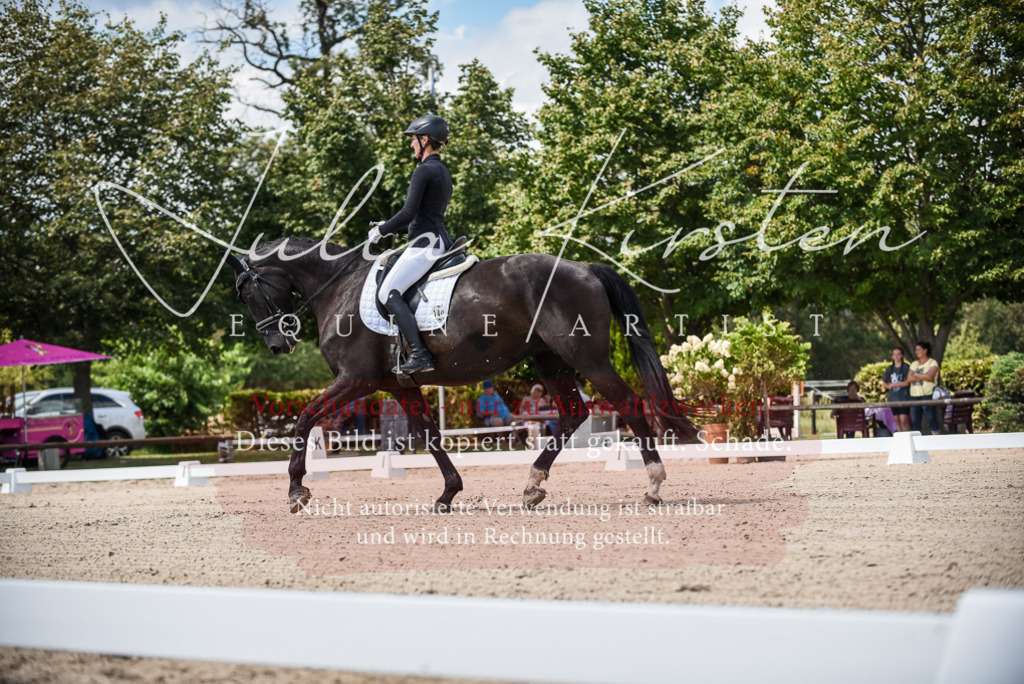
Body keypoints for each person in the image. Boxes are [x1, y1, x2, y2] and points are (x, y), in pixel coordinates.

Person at [368, 114, 454, 376]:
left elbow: (407, 213)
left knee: (387, 292)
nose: (411, 145)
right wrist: (389, 227)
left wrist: (380, 230)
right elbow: (422, 218)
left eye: (413, 140)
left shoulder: (424, 170)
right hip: (435, 238)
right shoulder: (442, 171)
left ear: (424, 139)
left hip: (423, 245)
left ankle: (419, 354)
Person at [908, 341, 941, 434]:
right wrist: (923, 375)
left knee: (932, 419)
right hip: (914, 395)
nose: (916, 352)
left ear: (925, 350)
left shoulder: (932, 362)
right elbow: (908, 378)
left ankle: (937, 439)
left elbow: (930, 377)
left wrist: (915, 374)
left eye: (919, 349)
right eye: (916, 350)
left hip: (927, 394)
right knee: (915, 421)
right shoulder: (914, 364)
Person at [881, 348, 912, 432]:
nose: (896, 356)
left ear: (902, 355)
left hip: (904, 397)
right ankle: (901, 439)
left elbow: (907, 382)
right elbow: (883, 380)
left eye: (898, 354)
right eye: (894, 354)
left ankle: (907, 438)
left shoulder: (906, 367)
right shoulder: (890, 368)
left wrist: (893, 384)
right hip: (893, 398)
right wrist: (887, 386)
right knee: (897, 420)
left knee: (903, 419)